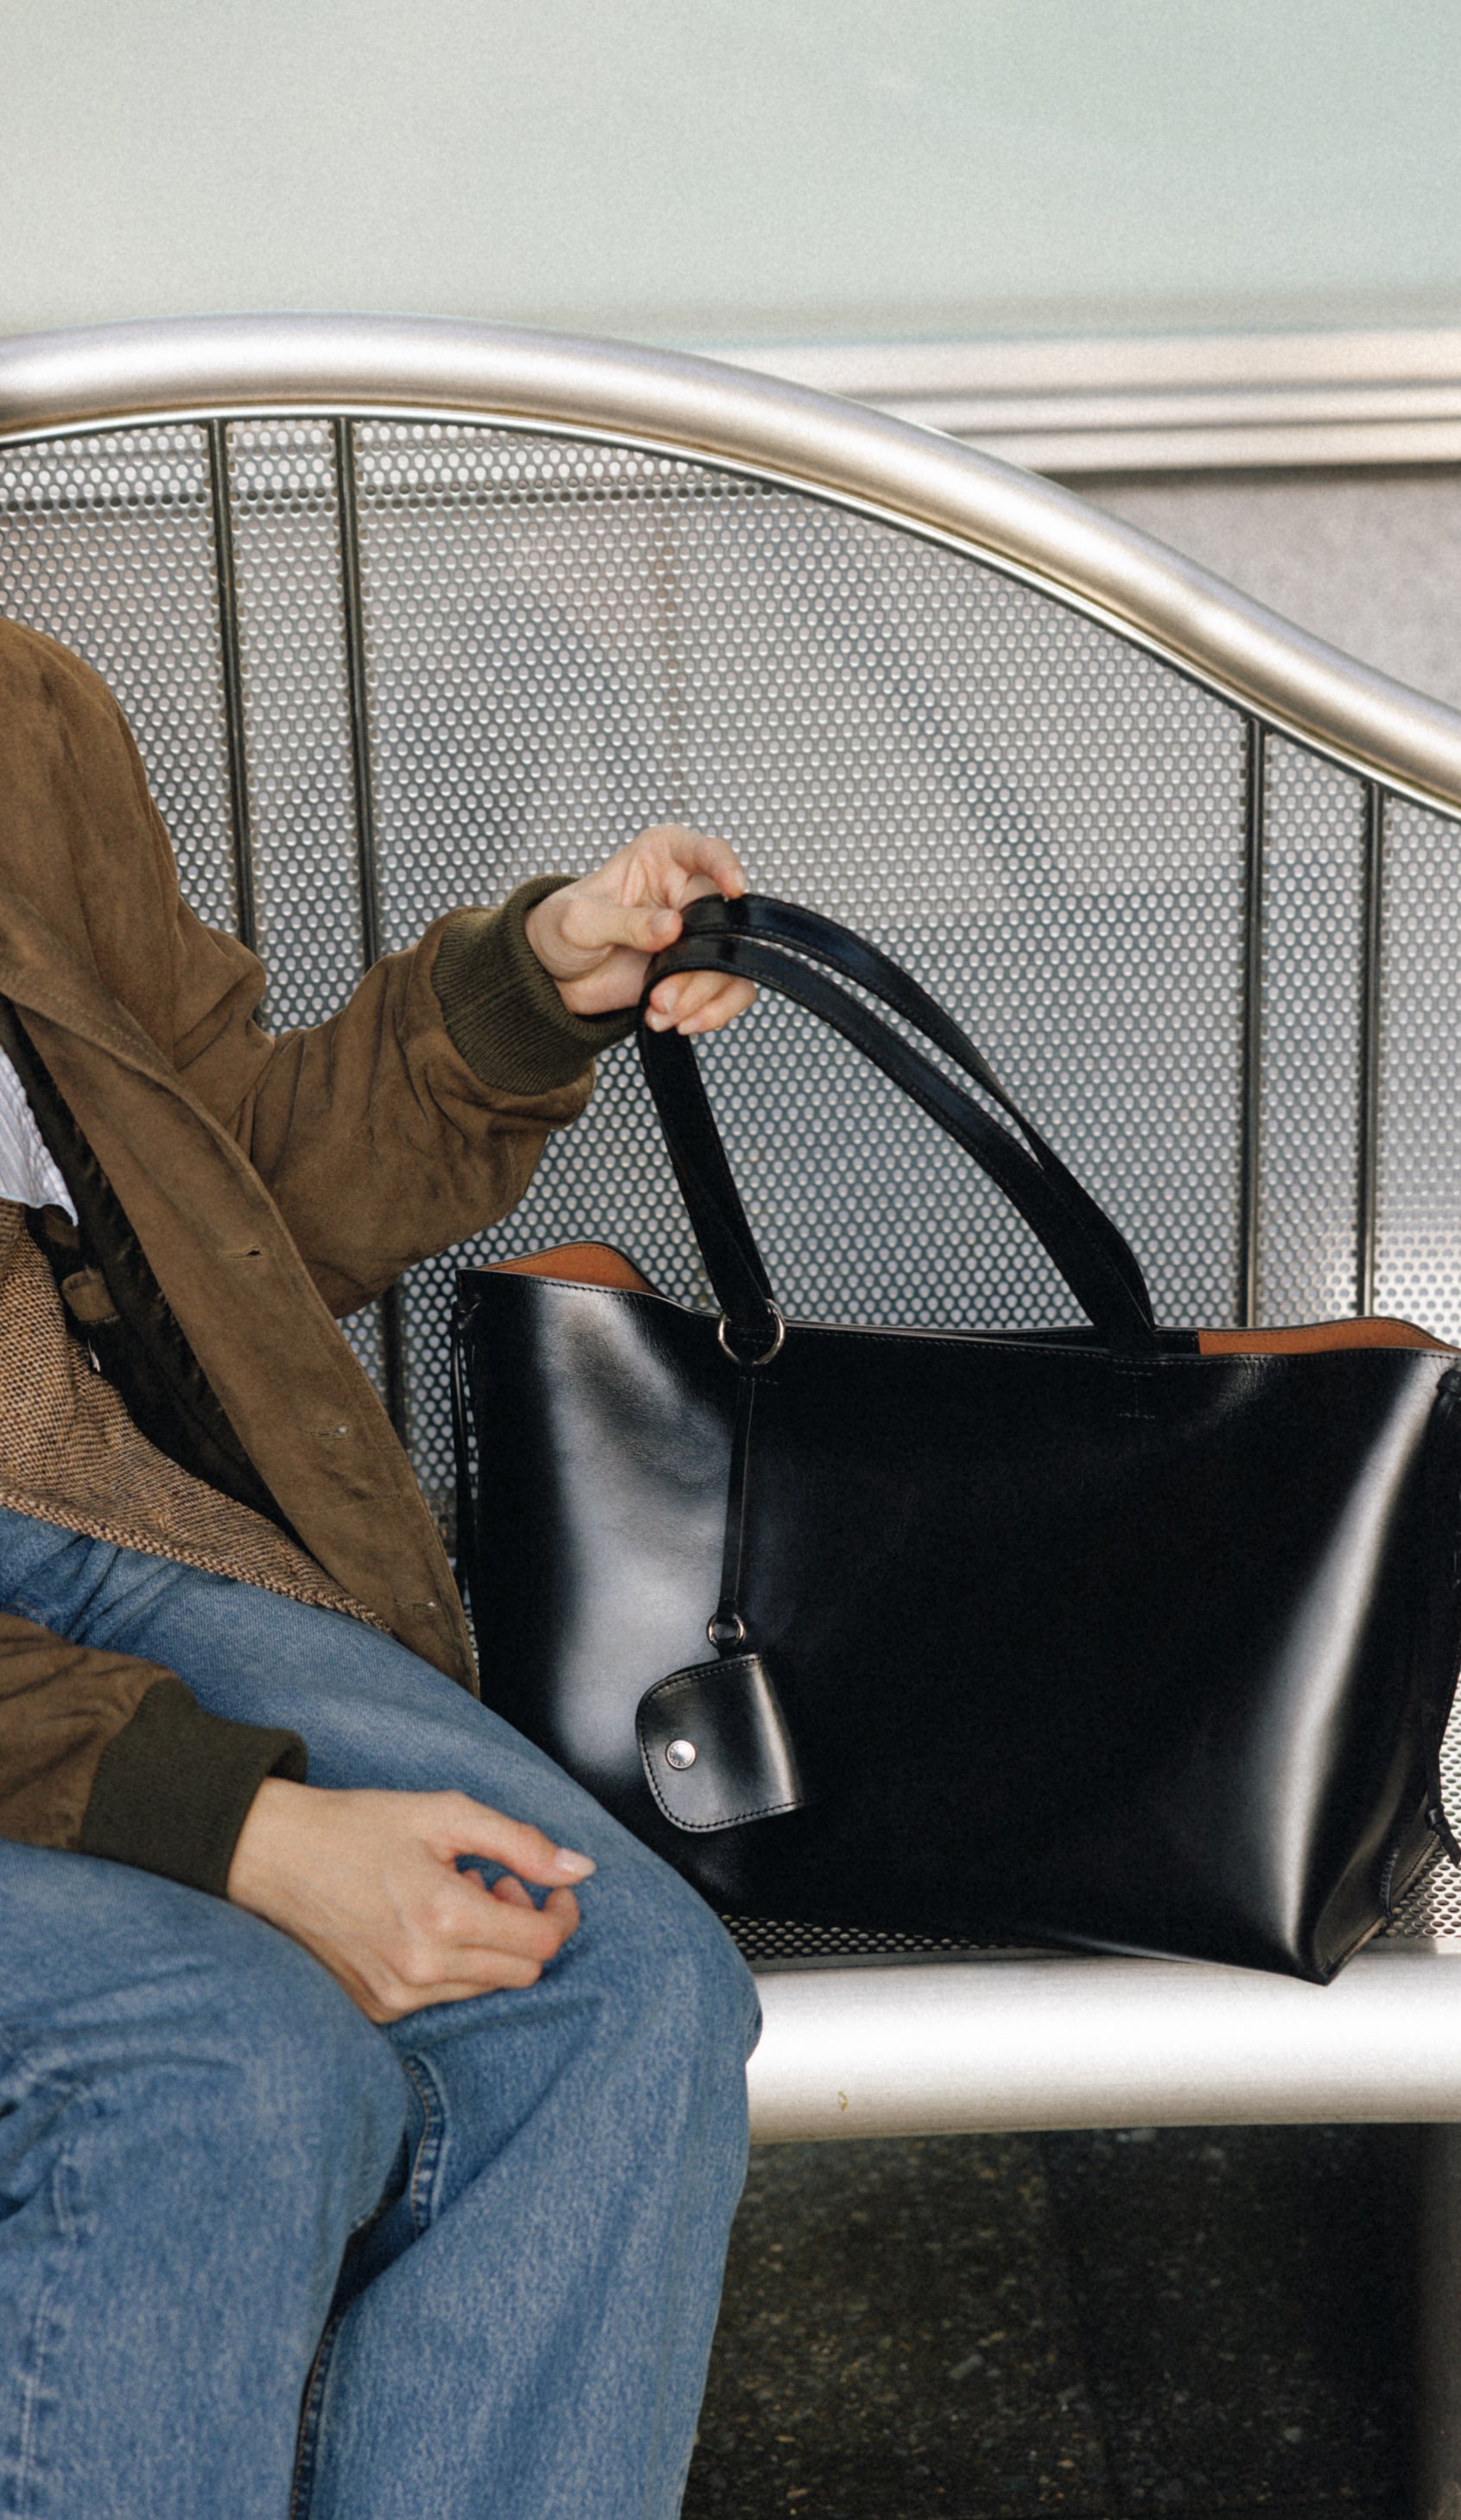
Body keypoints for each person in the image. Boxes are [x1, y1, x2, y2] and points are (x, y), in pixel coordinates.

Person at [0, 614, 763, 2518]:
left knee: (616, 1992)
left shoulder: (19, 710)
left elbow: (214, 1194)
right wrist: (229, 1823)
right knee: (224, 2064)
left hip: (90, 1521)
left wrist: (523, 993)